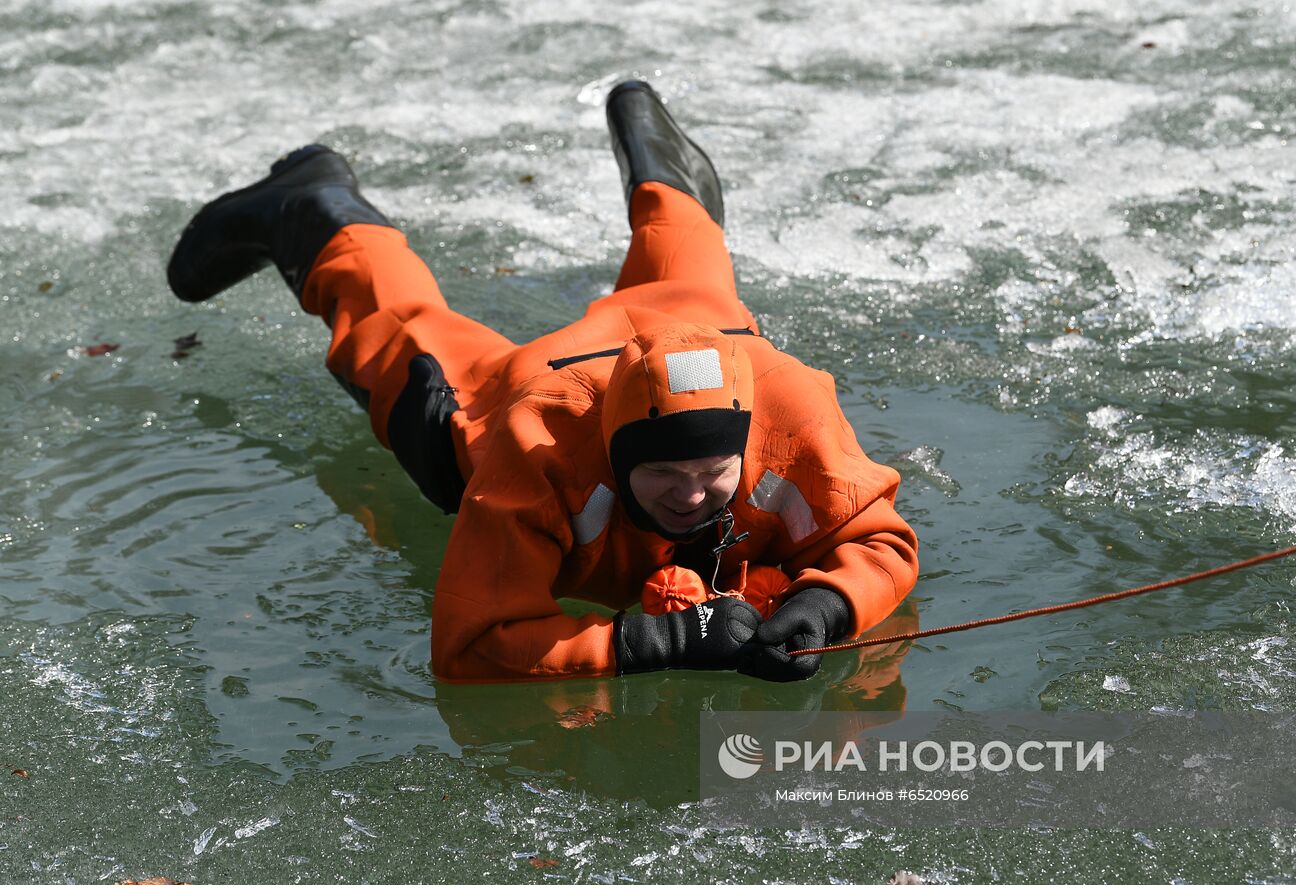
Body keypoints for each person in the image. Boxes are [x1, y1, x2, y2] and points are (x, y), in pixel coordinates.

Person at [167, 80, 919, 683]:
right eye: (662, 473)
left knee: (695, 294)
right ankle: (317, 205)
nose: (691, 496)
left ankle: (671, 181)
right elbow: (470, 641)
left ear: (747, 440)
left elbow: (880, 540)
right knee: (399, 337)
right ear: (615, 453)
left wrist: (829, 602)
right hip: (532, 383)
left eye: (711, 471)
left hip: (699, 324)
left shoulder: (792, 409)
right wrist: (650, 641)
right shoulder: (538, 446)